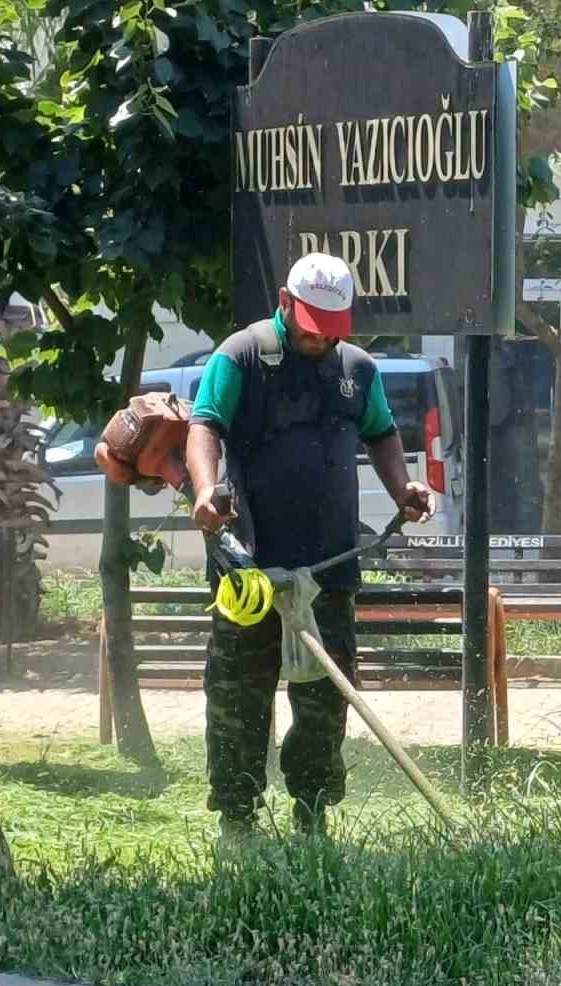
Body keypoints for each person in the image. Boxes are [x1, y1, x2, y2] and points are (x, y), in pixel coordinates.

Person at [186, 252, 434, 837]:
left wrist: (404, 489)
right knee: (239, 700)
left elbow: (380, 433)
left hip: (329, 565)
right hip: (248, 567)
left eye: (331, 331)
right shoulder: (240, 355)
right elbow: (205, 425)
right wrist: (204, 492)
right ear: (282, 301)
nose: (319, 340)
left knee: (324, 701)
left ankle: (312, 815)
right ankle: (238, 821)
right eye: (309, 327)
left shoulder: (359, 368)